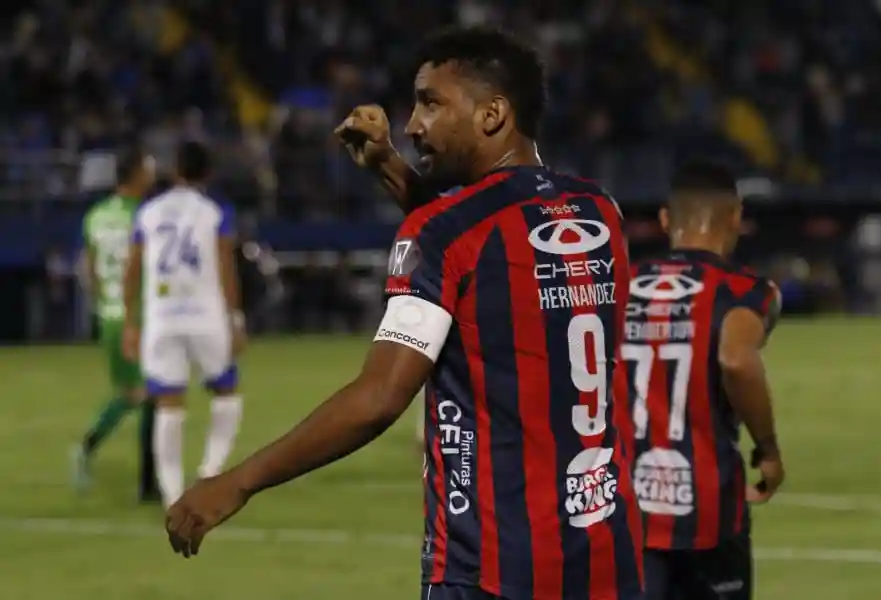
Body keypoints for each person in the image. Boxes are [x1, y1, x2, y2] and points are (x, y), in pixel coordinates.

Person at [164, 26, 644, 600]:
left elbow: (378, 399)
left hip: (490, 568)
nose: (414, 124)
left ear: (492, 114)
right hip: (605, 557)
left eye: (431, 102)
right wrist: (391, 168)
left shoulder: (443, 232)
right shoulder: (598, 210)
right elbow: (485, 251)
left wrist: (238, 483)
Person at [621, 161, 784, 600]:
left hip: (624, 505)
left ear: (665, 220)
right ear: (736, 218)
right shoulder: (747, 291)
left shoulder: (619, 285)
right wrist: (766, 447)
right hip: (708, 506)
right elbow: (736, 360)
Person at [122, 140, 247, 509]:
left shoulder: (149, 211)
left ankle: (172, 493)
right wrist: (236, 319)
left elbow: (132, 269)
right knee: (226, 392)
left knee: (168, 404)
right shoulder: (215, 211)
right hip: (205, 316)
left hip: (162, 317)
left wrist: (132, 320)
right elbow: (227, 268)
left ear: (176, 171)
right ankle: (210, 471)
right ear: (207, 173)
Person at [72, 147, 159, 502]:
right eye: (148, 169)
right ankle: (147, 483)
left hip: (109, 315)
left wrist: (100, 308)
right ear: (136, 175)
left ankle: (89, 450)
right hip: (136, 317)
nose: (153, 175)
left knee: (133, 394)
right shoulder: (144, 217)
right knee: (151, 394)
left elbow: (89, 270)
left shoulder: (94, 216)